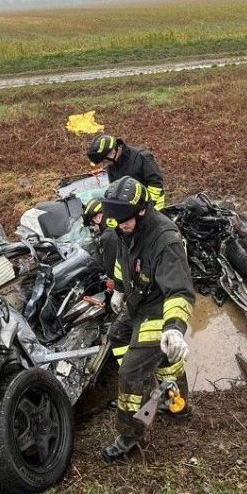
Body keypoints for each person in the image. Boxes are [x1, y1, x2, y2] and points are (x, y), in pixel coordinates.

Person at [98, 177, 193, 461]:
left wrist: (174, 328)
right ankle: (176, 401)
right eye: (114, 221)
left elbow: (179, 290)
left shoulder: (165, 240)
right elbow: (122, 261)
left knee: (130, 372)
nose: (119, 226)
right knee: (118, 337)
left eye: (124, 220)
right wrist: (119, 290)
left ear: (141, 210)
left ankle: (130, 435)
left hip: (159, 310)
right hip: (136, 303)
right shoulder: (125, 229)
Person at [86, 134, 167, 210]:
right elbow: (115, 186)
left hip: (153, 208)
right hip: (131, 209)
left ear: (112, 153)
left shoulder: (141, 157)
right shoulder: (113, 163)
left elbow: (156, 184)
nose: (104, 166)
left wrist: (147, 207)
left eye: (105, 162)